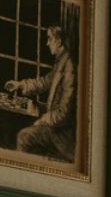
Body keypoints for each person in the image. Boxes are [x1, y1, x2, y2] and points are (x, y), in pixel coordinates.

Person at [11, 15, 78, 163]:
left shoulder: (69, 67)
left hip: (61, 135)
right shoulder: (61, 62)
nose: (47, 43)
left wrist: (43, 120)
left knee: (23, 137)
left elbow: (64, 113)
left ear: (58, 41)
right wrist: (21, 84)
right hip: (55, 129)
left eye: (49, 39)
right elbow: (44, 82)